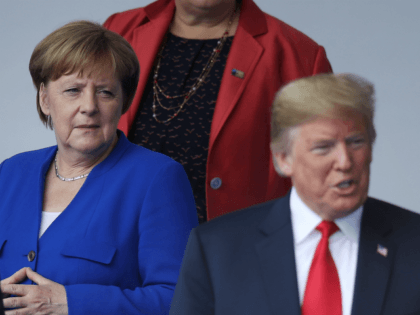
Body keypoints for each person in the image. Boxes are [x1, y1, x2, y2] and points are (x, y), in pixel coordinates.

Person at [169, 73, 420, 315]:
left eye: (356, 142)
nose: (345, 161)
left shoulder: (413, 242)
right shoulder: (217, 248)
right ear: (283, 159)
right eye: (323, 147)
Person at [0, 21, 198, 314]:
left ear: (124, 101)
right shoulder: (11, 172)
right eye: (73, 90)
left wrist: (73, 302)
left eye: (105, 92)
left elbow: (184, 300)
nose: (89, 106)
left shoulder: (157, 178)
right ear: (45, 99)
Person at [103, 0, 333, 223]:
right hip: (118, 243)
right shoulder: (118, 30)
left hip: (237, 251)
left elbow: (322, 177)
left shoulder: (299, 55)